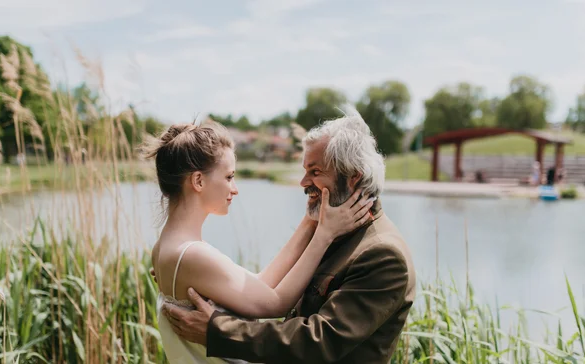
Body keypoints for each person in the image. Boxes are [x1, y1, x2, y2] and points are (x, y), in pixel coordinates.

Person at [163, 106, 417, 363]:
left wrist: (218, 332)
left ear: (353, 178)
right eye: (305, 171)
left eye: (315, 172)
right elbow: (265, 287)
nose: (303, 182)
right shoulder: (334, 230)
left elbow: (318, 341)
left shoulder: (382, 254)